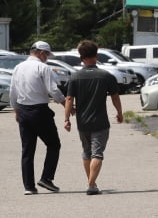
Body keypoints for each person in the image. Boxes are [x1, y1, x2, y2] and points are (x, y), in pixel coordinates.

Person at [64, 39, 123, 195]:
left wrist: (66, 119)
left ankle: (92, 183)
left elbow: (69, 99)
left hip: (82, 122)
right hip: (101, 121)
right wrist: (119, 113)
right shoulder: (106, 76)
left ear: (81, 57)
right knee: (97, 153)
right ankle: (91, 185)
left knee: (86, 152)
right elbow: (115, 97)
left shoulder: (75, 77)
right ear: (96, 56)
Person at [10, 41, 67, 195]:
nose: (47, 58)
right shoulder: (43, 67)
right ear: (42, 53)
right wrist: (65, 104)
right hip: (40, 111)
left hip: (23, 110)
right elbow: (53, 89)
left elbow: (13, 91)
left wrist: (16, 110)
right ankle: (46, 178)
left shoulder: (18, 68)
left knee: (27, 150)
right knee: (54, 144)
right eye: (47, 55)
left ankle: (28, 186)